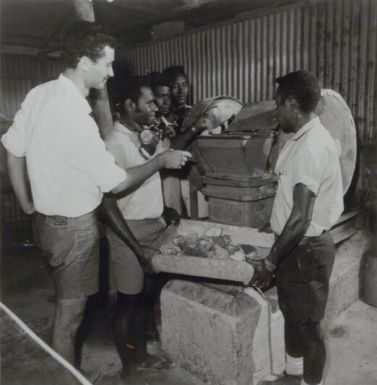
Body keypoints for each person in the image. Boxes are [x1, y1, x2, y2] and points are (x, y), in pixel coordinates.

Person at [0, 22, 191, 366]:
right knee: (69, 318)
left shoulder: (39, 94)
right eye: (107, 63)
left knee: (69, 311)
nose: (112, 71)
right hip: (73, 228)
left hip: (46, 223)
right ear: (85, 63)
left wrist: (26, 203)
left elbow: (12, 149)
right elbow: (116, 183)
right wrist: (162, 159)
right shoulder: (75, 116)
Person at [102, 77, 206, 380]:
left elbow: (158, 160)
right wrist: (137, 248)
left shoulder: (142, 134)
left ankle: (143, 355)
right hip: (129, 231)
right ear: (130, 105)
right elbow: (106, 205)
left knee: (147, 295)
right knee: (127, 300)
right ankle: (129, 368)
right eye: (148, 103)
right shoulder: (114, 143)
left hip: (153, 225)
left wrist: (164, 209)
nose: (154, 107)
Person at [250, 71, 344, 385]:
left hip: (306, 251)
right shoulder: (300, 138)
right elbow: (292, 201)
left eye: (278, 104)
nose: (276, 111)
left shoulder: (311, 146)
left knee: (309, 328)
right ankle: (292, 376)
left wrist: (270, 261)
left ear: (292, 104)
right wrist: (275, 221)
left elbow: (301, 217)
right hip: (295, 247)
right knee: (293, 317)